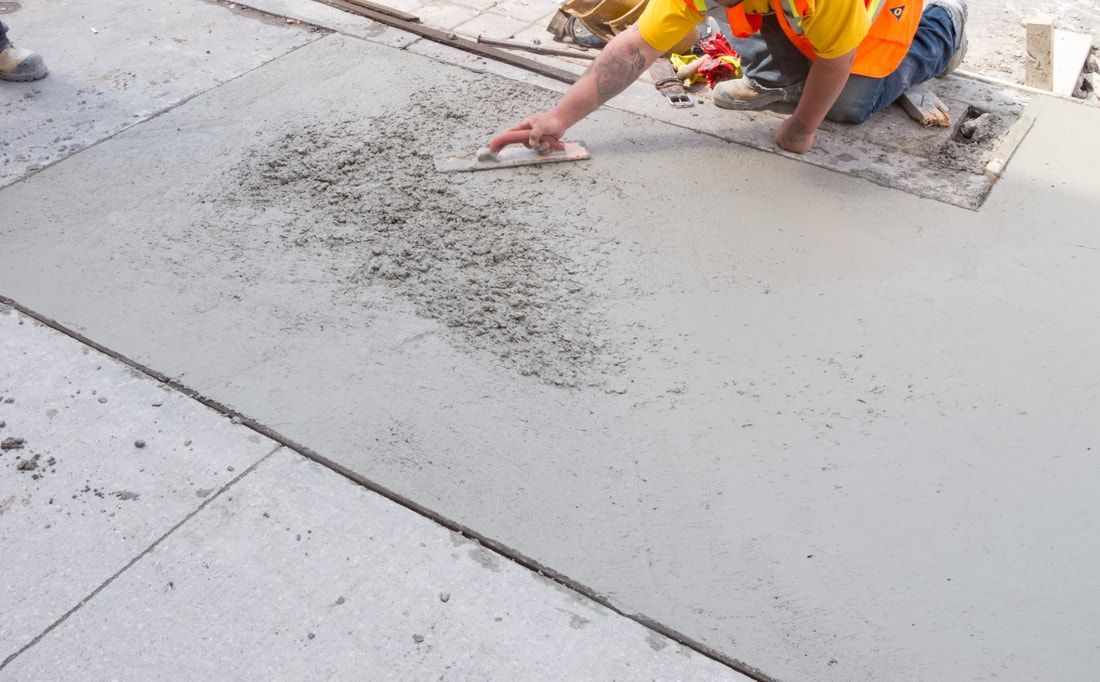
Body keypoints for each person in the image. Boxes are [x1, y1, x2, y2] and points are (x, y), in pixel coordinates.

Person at [505, 0, 966, 154]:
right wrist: (560, 117)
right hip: (797, 15)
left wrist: (801, 129)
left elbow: (835, 60)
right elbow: (637, 47)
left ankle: (947, 23)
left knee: (846, 104)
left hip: (883, 15)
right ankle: (784, 72)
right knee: (762, 48)